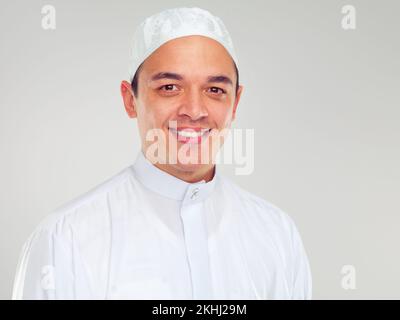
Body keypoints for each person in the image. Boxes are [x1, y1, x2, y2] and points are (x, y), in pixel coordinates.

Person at [12, 7, 312, 300]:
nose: (194, 111)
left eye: (215, 90)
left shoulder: (277, 234)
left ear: (235, 103)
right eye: (170, 87)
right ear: (130, 100)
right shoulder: (65, 239)